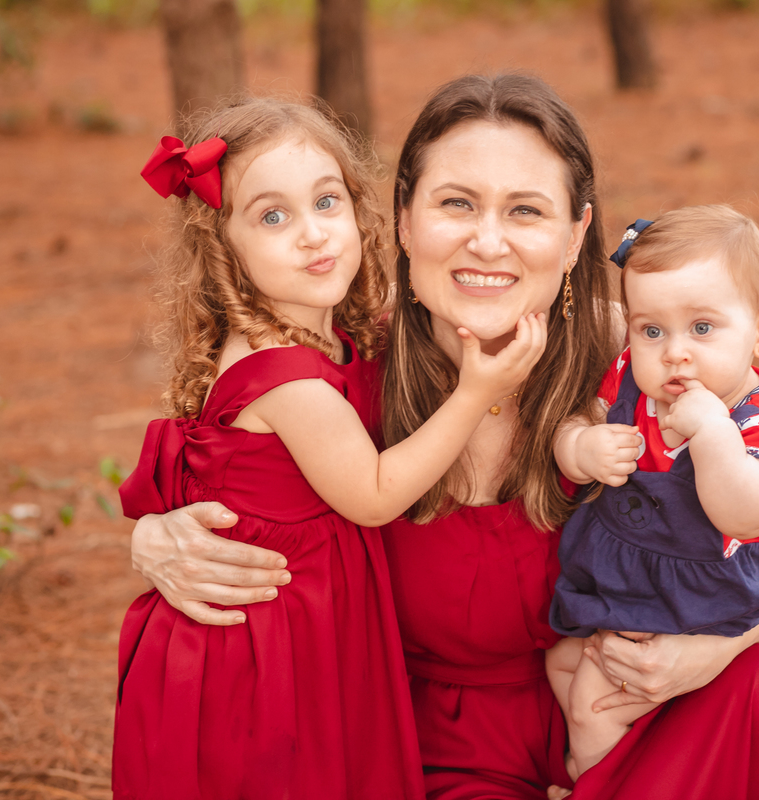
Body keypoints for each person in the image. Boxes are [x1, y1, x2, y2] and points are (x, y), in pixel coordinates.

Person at [127, 75, 759, 800]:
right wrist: (155, 539)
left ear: (574, 237)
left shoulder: (636, 351)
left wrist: (704, 655)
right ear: (405, 219)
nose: (488, 240)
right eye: (457, 204)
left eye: (526, 210)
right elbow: (232, 468)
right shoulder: (341, 366)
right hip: (430, 746)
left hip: (614, 699)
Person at [112, 96, 547, 800]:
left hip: (294, 621)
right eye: (273, 216)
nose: (313, 235)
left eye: (327, 201)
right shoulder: (284, 377)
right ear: (226, 247)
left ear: (359, 211)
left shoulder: (323, 334)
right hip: (262, 646)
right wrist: (475, 392)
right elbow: (372, 496)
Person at [547, 206, 759, 780]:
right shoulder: (630, 382)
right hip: (625, 578)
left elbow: (750, 515)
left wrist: (714, 434)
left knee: (592, 706)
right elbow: (575, 418)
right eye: (652, 330)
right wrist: (580, 446)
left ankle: (603, 783)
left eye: (703, 328)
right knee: (561, 662)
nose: (674, 352)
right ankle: (648, 763)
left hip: (696, 596)